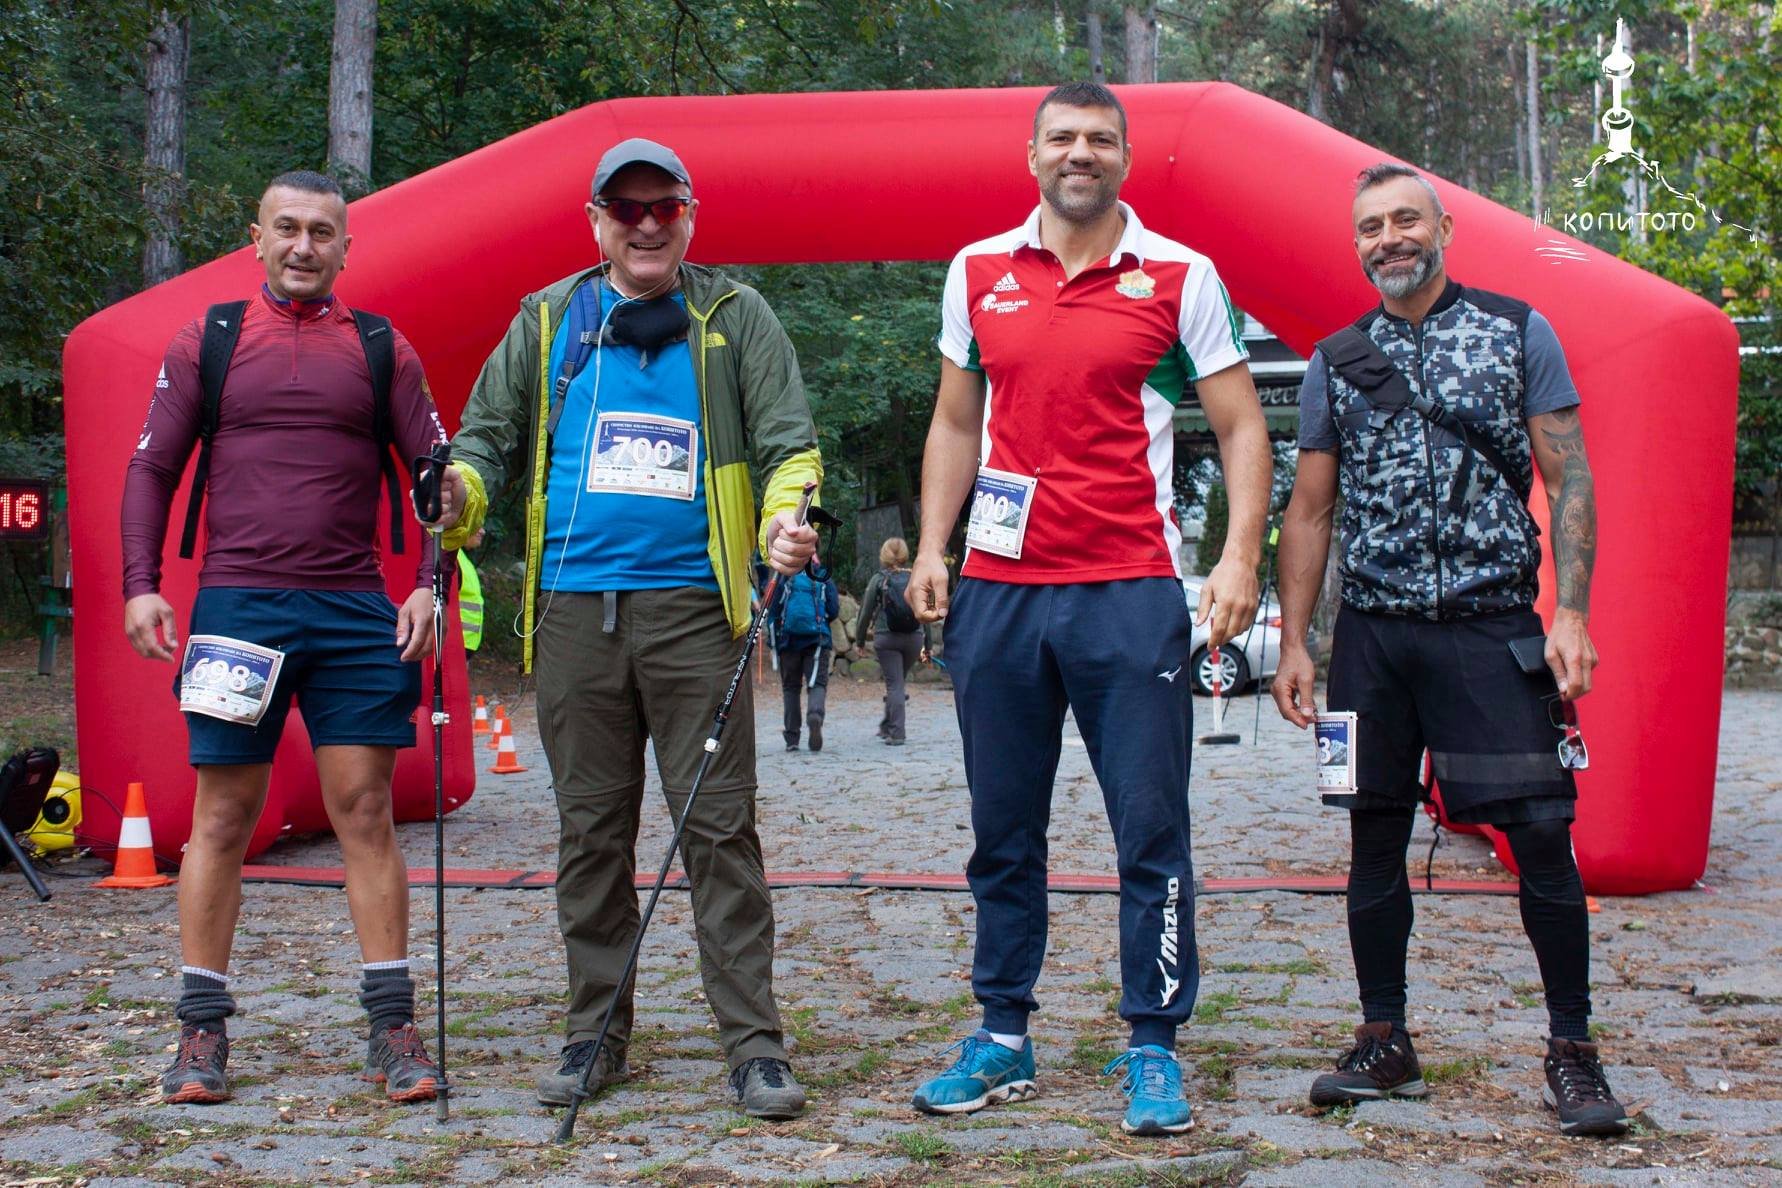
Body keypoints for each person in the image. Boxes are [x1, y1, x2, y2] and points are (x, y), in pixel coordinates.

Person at [424, 138, 821, 1119]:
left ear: (690, 215)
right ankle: (594, 1034)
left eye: (664, 207)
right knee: (590, 835)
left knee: (720, 834)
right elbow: (482, 444)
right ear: (596, 220)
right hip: (571, 619)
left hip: (697, 616)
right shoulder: (548, 318)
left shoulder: (735, 316)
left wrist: (788, 517)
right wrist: (459, 494)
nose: (647, 224)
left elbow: (789, 447)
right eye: (626, 208)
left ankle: (755, 1048)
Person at [904, 83, 1272, 1136]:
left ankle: (1152, 1046)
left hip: (1129, 593)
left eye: (1100, 140)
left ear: (1125, 156)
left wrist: (1236, 557)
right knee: (1002, 831)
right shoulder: (977, 271)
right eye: (1063, 138)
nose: (1081, 153)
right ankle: (1003, 1036)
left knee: (1150, 829)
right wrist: (933, 547)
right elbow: (953, 421)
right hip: (1003, 599)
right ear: (1032, 155)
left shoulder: (1180, 275)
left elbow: (1243, 428)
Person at [1269, 163, 1626, 1137]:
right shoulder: (1336, 360)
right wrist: (1296, 641)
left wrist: (1574, 613)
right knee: (1371, 835)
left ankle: (1573, 1051)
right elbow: (1308, 511)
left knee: (1544, 836)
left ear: (1445, 228)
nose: (1390, 238)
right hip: (1372, 644)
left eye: (1406, 220)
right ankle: (1385, 1038)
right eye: (1372, 226)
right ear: (1358, 244)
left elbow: (1573, 476)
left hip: (1492, 630)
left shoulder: (1519, 331)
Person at [120, 170, 447, 1106]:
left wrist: (428, 581)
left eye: (324, 233)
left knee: (365, 811)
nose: (305, 247)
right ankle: (200, 1034)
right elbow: (151, 468)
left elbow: (437, 477)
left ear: (347, 248)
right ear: (256, 237)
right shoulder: (209, 339)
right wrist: (141, 586)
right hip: (239, 608)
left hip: (352, 611)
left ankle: (392, 1030)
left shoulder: (382, 347)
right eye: (288, 230)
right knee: (221, 818)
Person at [852, 536, 929, 745]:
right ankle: (887, 725)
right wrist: (927, 646)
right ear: (904, 555)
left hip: (887, 638)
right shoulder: (916, 578)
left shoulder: (879, 579)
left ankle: (897, 733)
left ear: (884, 555)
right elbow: (926, 613)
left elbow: (865, 613)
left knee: (894, 685)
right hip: (914, 638)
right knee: (897, 682)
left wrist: (859, 641)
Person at [773, 554, 839, 752]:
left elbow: (774, 607)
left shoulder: (784, 576)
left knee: (791, 688)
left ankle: (792, 738)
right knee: (817, 683)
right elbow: (834, 609)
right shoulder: (823, 576)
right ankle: (815, 716)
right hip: (817, 640)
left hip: (788, 640)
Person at [456, 527, 485, 664]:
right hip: (451, 647)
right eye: (477, 524)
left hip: (462, 646)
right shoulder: (450, 559)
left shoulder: (460, 557)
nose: (482, 531)